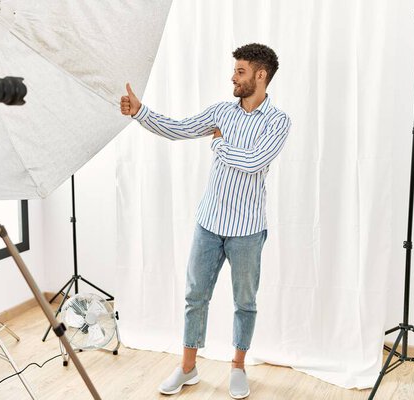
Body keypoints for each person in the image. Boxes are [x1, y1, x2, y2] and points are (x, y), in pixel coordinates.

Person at [120, 43, 291, 398]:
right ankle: (187, 368)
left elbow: (255, 162)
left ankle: (238, 368)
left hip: (247, 229)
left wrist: (218, 146)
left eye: (240, 71)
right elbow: (179, 128)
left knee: (245, 302)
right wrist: (141, 112)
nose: (233, 76)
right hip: (209, 223)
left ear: (261, 76)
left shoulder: (279, 121)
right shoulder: (221, 112)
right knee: (195, 297)